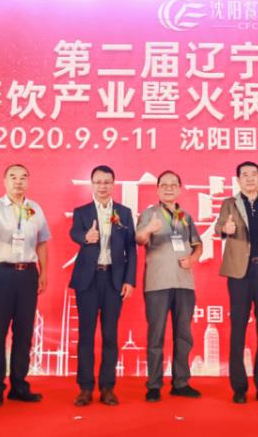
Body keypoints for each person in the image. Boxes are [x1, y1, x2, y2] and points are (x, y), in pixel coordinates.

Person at [213, 161, 258, 404]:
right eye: (244, 175)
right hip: (240, 275)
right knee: (238, 330)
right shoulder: (230, 203)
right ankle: (239, 387)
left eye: (253, 174)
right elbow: (218, 226)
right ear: (238, 180)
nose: (249, 178)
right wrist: (225, 227)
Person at [0, 164, 49, 407]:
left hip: (27, 275)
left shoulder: (34, 208)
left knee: (24, 332)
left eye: (23, 177)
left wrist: (44, 272)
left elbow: (42, 242)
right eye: (13, 177)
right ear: (4, 181)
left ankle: (19, 385)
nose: (18, 181)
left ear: (28, 181)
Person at [69, 165, 137, 406]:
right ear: (92, 184)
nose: (102, 186)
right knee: (86, 335)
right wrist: (85, 237)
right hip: (88, 280)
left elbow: (131, 248)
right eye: (98, 182)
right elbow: (74, 233)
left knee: (110, 335)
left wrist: (129, 280)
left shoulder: (124, 213)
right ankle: (85, 388)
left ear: (113, 184)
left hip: (113, 281)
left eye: (107, 182)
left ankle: (108, 387)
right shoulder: (82, 212)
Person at [135, 170, 203, 402]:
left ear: (180, 189)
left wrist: (192, 259)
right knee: (156, 335)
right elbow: (139, 239)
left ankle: (181, 383)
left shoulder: (185, 217)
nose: (168, 188)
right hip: (157, 283)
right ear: (157, 189)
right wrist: (148, 229)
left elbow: (198, 245)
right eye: (164, 185)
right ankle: (154, 385)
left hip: (184, 283)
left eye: (173, 184)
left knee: (184, 335)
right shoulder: (149, 213)